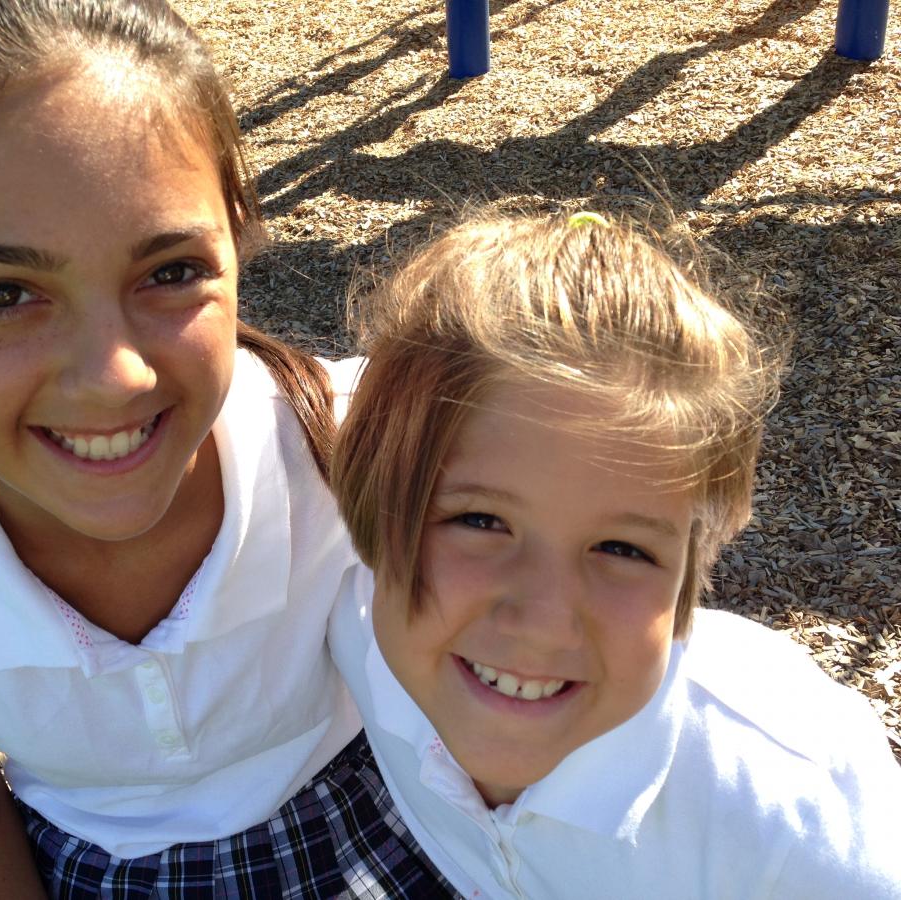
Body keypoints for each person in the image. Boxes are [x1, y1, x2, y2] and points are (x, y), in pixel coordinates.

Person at [0, 1, 453, 896]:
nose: (114, 378)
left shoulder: (375, 442)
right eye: (2, 293)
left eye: (171, 273)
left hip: (402, 821)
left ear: (238, 243)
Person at [328, 212, 901, 898]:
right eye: (480, 521)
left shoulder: (793, 821)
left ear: (689, 565)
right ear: (371, 516)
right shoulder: (356, 636)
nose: (544, 623)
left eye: (622, 549)